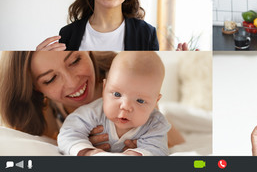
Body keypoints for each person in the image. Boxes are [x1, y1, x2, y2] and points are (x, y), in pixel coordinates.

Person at [0, 51, 184, 152]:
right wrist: (81, 145)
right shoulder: (42, 112)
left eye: (75, 60)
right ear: (35, 88)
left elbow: (173, 141)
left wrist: (141, 146)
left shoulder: (126, 75)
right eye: (50, 79)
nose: (73, 83)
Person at [58, 52, 170, 156]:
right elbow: (68, 132)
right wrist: (87, 152)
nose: (125, 106)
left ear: (155, 102)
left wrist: (137, 154)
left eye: (140, 101)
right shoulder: (93, 112)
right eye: (117, 94)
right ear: (105, 87)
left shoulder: (155, 124)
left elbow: (159, 149)